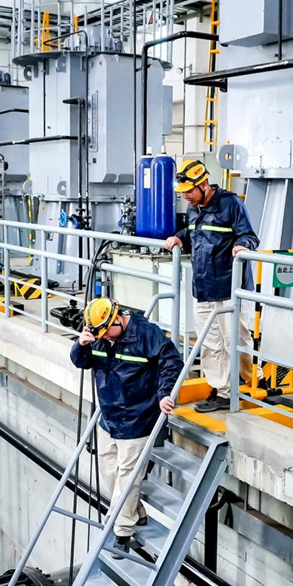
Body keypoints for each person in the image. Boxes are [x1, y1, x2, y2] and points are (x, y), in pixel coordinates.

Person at [70, 297, 184, 551]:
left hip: (137, 418)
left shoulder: (146, 334)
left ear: (118, 320)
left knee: (128, 478)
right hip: (108, 418)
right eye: (98, 335)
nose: (103, 339)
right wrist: (81, 345)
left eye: (106, 333)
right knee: (109, 472)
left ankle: (122, 531)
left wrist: (165, 394)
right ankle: (136, 511)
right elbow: (81, 362)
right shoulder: (99, 335)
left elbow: (171, 362)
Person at [164, 158, 258, 412]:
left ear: (203, 184)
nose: (186, 197)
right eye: (182, 192)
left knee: (235, 340)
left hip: (229, 287)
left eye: (189, 191)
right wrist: (179, 237)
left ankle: (251, 379)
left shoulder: (230, 204)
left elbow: (249, 235)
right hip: (203, 287)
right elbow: (192, 232)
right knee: (210, 343)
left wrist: (242, 245)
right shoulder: (193, 209)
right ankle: (223, 390)